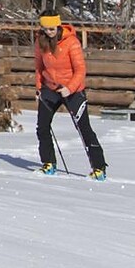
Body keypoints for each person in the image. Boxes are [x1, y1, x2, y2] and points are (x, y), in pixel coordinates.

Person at [35, 13, 108, 179]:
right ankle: (48, 163)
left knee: (84, 129)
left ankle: (99, 167)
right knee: (42, 127)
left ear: (58, 26)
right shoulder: (40, 41)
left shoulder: (71, 42)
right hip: (50, 88)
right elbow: (38, 67)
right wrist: (39, 87)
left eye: (51, 29)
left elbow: (80, 70)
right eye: (45, 29)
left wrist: (69, 88)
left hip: (72, 90)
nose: (48, 32)